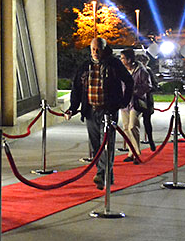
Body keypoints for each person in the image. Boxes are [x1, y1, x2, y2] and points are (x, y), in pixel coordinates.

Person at [65, 37, 133, 190]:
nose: (95, 52)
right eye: (93, 49)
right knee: (96, 147)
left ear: (104, 48)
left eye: (98, 49)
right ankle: (107, 174)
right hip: (90, 111)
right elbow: (76, 88)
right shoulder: (85, 66)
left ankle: (102, 175)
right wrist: (73, 107)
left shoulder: (114, 64)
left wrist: (123, 101)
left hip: (108, 111)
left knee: (107, 145)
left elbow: (129, 81)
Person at [119, 48, 152, 160]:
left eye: (123, 58)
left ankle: (137, 152)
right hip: (124, 103)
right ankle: (130, 152)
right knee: (126, 127)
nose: (121, 60)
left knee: (133, 126)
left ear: (129, 59)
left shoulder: (141, 71)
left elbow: (148, 86)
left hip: (136, 102)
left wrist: (134, 91)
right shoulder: (122, 71)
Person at [135, 53, 158, 151]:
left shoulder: (148, 71)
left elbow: (154, 85)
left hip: (146, 100)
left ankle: (150, 139)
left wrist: (146, 89)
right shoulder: (134, 71)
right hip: (135, 100)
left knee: (147, 121)